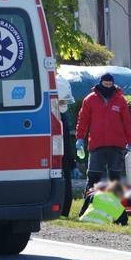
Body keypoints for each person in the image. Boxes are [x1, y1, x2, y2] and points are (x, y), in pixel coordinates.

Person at [75, 73, 131, 192]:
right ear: (100, 83)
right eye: (105, 84)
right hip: (97, 145)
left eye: (110, 84)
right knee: (93, 176)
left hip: (116, 145)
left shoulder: (120, 100)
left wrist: (130, 141)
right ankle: (89, 204)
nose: (108, 87)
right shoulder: (90, 99)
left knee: (115, 178)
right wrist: (80, 138)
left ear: (113, 84)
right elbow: (83, 120)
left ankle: (116, 206)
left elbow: (127, 122)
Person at [56, 76, 76, 217]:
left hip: (63, 152)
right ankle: (63, 210)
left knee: (65, 180)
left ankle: (64, 210)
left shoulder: (62, 115)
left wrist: (71, 158)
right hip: (61, 152)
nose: (65, 105)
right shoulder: (60, 115)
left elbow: (66, 139)